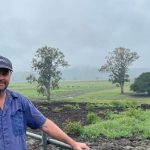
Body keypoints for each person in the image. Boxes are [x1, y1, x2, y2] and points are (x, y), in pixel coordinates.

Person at [0, 55, 90, 150]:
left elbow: (45, 124)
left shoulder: (20, 102)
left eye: (4, 73)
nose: (1, 77)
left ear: (10, 75)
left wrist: (73, 143)